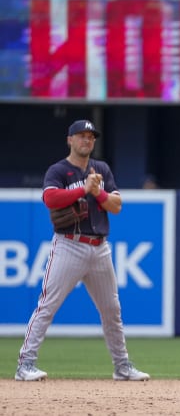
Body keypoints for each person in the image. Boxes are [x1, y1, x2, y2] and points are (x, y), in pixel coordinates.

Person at [15, 119, 150, 382]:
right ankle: (25, 364)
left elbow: (116, 205)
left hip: (100, 248)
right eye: (81, 136)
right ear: (70, 140)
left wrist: (97, 192)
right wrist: (82, 189)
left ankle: (121, 366)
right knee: (47, 305)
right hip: (69, 245)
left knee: (112, 309)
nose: (86, 140)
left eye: (91, 136)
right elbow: (50, 198)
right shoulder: (58, 170)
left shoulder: (101, 169)